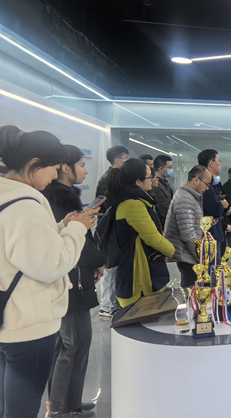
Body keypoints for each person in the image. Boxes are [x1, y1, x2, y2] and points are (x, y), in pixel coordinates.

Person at [0, 125, 97, 418]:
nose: (55, 176)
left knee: (7, 403)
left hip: (8, 317)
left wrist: (60, 227)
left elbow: (20, 248)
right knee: (22, 408)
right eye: (54, 168)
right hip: (27, 323)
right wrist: (77, 229)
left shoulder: (7, 196)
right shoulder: (25, 206)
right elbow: (52, 264)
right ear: (34, 164)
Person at [42, 145, 105, 418]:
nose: (86, 170)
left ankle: (70, 403)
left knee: (72, 344)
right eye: (81, 164)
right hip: (71, 279)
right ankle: (61, 408)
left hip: (74, 277)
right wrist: (97, 260)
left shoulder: (62, 198)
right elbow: (71, 241)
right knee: (73, 344)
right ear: (64, 168)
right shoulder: (59, 199)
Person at [105, 159, 175, 307]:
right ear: (138, 182)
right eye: (149, 176)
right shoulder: (133, 204)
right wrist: (170, 250)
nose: (153, 179)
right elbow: (152, 237)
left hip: (144, 265)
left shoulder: (135, 200)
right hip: (139, 273)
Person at [164, 165, 213, 287]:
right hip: (187, 256)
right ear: (196, 180)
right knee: (193, 290)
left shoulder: (189, 196)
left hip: (190, 254)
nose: (207, 188)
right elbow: (188, 235)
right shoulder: (185, 199)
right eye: (206, 184)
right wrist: (201, 257)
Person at [97, 145, 128, 317]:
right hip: (108, 228)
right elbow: (107, 204)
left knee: (115, 267)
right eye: (126, 158)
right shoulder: (109, 178)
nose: (127, 162)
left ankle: (112, 303)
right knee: (110, 267)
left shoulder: (114, 176)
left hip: (113, 227)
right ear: (118, 160)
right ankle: (106, 306)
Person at [198, 149, 231, 259]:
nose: (220, 164)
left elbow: (223, 202)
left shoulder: (215, 184)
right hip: (210, 233)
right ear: (211, 163)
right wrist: (223, 206)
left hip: (217, 230)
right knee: (213, 263)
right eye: (218, 161)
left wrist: (226, 207)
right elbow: (216, 208)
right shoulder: (205, 186)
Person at [147, 154, 174, 229]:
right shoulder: (155, 186)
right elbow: (163, 209)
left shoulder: (165, 183)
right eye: (169, 167)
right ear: (161, 168)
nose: (171, 170)